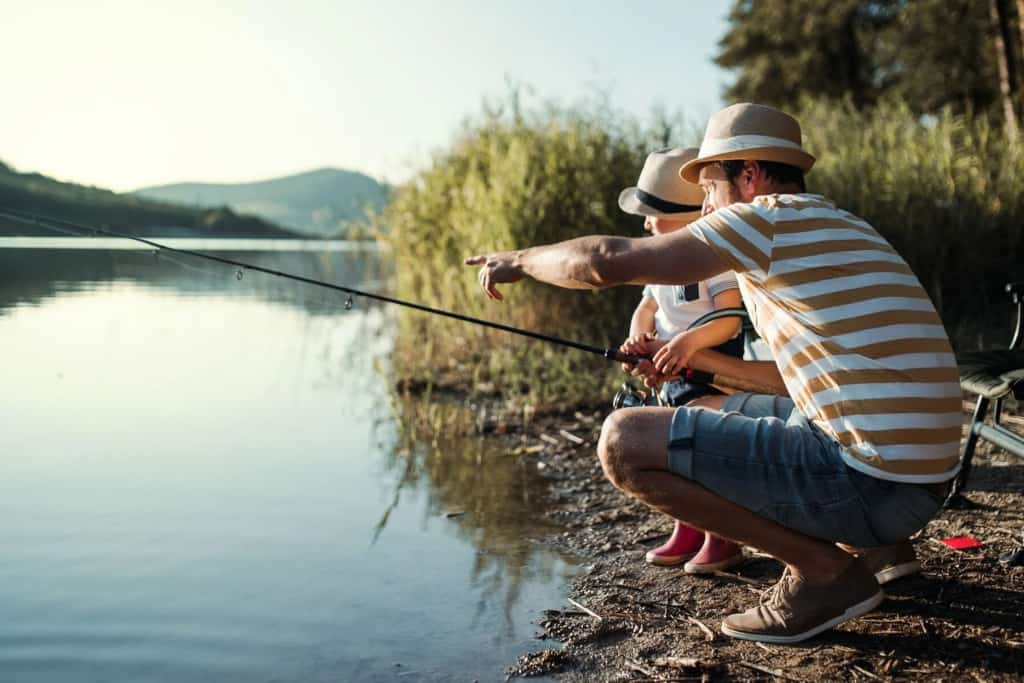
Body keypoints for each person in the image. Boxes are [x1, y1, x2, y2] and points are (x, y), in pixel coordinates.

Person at [465, 103, 960, 643]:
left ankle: (825, 575)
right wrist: (694, 360)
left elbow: (606, 261)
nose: (704, 205)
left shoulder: (761, 219)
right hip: (924, 483)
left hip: (875, 487)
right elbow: (793, 382)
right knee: (719, 407)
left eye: (709, 186)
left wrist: (520, 258)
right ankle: (881, 549)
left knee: (624, 441)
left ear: (747, 175)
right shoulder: (840, 226)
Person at [616, 146, 748, 573]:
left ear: (688, 216)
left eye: (654, 212)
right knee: (673, 449)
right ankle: (687, 525)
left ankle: (722, 535)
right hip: (670, 371)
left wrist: (689, 344)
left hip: (711, 369)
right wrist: (641, 336)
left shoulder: (716, 261)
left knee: (703, 450)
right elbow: (646, 307)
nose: (646, 222)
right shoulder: (660, 263)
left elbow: (729, 320)